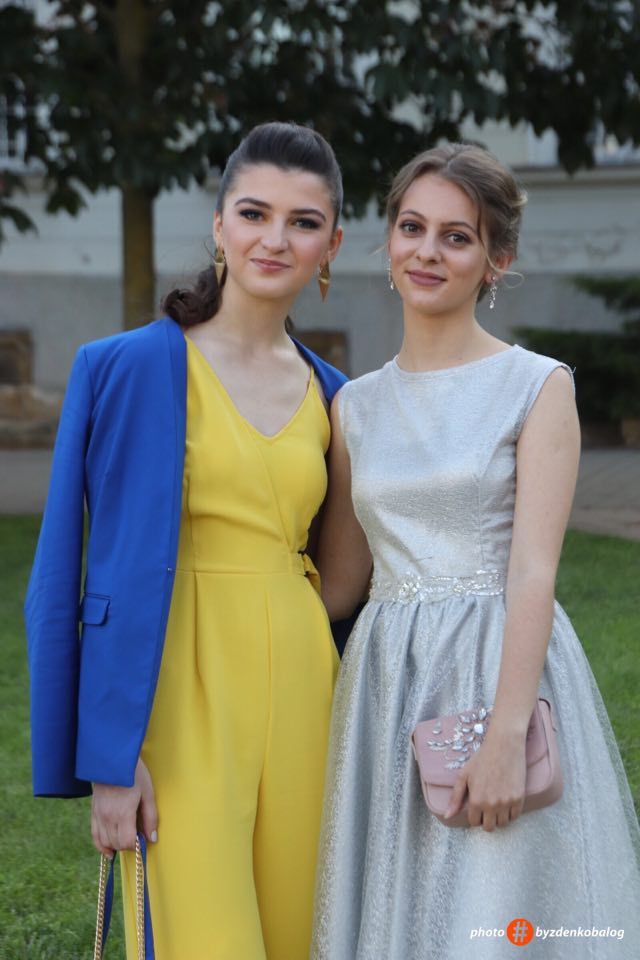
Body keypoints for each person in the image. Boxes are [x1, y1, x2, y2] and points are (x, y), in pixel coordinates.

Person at [25, 121, 347, 960]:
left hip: (307, 694)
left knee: (306, 939)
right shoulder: (122, 368)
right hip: (172, 699)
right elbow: (61, 574)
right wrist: (106, 757)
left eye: (304, 222)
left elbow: (352, 578)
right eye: (254, 213)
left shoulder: (338, 395)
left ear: (332, 246)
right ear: (218, 224)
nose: (274, 239)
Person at [312, 143, 640, 959]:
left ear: (498, 260)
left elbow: (534, 570)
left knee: (494, 910)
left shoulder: (538, 385)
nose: (428, 252)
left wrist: (505, 735)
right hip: (387, 683)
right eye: (412, 227)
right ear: (389, 240)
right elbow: (341, 583)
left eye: (456, 237)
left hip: (499, 669)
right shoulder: (354, 407)